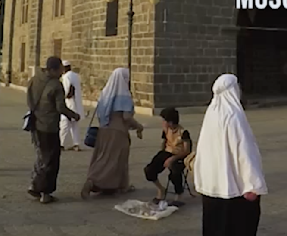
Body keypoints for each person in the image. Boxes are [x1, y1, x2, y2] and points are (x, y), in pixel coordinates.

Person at [195, 74, 267, 236]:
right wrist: (252, 184)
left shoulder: (211, 113)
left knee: (215, 226)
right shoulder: (234, 117)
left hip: (212, 185)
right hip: (234, 187)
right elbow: (243, 152)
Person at [82, 68, 145, 197]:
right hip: (118, 132)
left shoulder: (106, 94)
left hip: (104, 131)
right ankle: (93, 180)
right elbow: (126, 117)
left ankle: (115, 185)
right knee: (114, 160)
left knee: (104, 158)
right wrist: (139, 126)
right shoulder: (124, 96)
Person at [26, 56, 80, 203]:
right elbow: (60, 107)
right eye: (60, 69)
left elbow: (29, 98)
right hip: (49, 126)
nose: (62, 72)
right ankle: (45, 191)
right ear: (54, 69)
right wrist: (74, 115)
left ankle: (35, 184)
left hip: (36, 123)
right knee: (51, 160)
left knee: (40, 156)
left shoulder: (35, 79)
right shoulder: (56, 85)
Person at [145, 107, 192, 207]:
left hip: (179, 155)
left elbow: (186, 151)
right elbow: (164, 143)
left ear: (170, 122)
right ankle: (160, 189)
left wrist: (172, 159)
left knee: (175, 172)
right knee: (149, 169)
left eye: (164, 120)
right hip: (167, 152)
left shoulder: (183, 132)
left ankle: (179, 195)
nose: (163, 122)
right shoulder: (166, 130)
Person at [59, 61, 83, 151]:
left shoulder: (66, 77)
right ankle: (76, 143)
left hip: (69, 103)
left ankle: (61, 143)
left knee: (64, 124)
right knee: (75, 125)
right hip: (76, 103)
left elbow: (66, 90)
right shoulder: (76, 75)